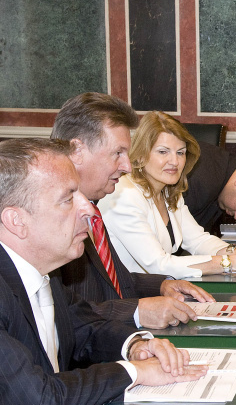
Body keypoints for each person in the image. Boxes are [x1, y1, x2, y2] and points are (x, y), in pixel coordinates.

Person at [0, 139, 206, 405]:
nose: (88, 209)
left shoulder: (38, 265)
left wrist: (135, 345)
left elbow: (80, 327)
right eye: (67, 199)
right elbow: (39, 400)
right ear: (16, 220)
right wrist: (133, 371)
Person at [51, 92, 214, 329]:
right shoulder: (52, 216)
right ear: (76, 150)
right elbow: (67, 312)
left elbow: (115, 282)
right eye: (118, 153)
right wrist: (137, 311)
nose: (127, 166)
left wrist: (161, 285)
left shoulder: (92, 206)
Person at [98, 111, 236, 279]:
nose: (175, 161)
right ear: (142, 155)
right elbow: (160, 265)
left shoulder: (169, 191)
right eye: (163, 152)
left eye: (180, 152)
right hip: (126, 300)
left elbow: (198, 240)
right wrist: (230, 262)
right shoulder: (123, 195)